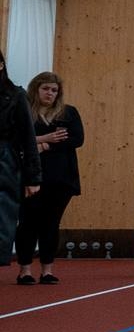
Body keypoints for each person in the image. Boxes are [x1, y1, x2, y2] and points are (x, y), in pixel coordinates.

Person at [17, 73, 82, 285]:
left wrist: (44, 146)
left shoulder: (68, 113)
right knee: (28, 223)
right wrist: (44, 138)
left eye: (54, 90)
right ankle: (25, 270)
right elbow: (15, 139)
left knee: (51, 224)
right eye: (46, 89)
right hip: (31, 177)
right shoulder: (25, 112)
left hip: (61, 178)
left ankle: (47, 270)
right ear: (36, 89)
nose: (50, 93)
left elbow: (76, 139)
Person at [0, 58, 37, 271]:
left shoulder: (16, 95)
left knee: (3, 216)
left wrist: (33, 177)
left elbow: (28, 139)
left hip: (5, 161)